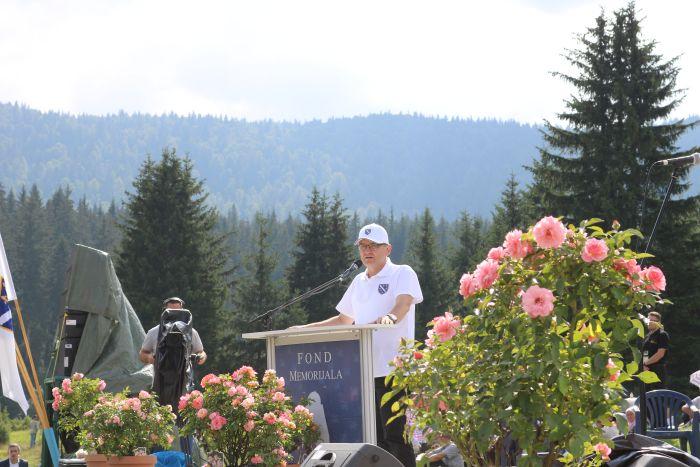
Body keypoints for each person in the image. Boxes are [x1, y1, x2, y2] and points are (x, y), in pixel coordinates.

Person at [296, 223, 423, 467]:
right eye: (363, 246)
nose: (367, 251)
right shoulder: (358, 281)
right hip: (364, 374)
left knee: (396, 437)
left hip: (394, 372)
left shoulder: (402, 273)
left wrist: (391, 317)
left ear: (388, 249)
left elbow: (404, 303)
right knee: (374, 442)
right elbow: (343, 319)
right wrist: (303, 330)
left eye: (373, 246)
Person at [139, 297, 207, 366]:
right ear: (164, 313)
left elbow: (201, 352)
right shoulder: (154, 332)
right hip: (160, 374)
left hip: (185, 374)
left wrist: (200, 357)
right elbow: (143, 353)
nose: (174, 316)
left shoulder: (191, 332)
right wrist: (149, 358)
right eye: (171, 312)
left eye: (178, 312)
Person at [642, 311, 669, 390]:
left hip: (658, 369)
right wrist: (645, 366)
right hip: (647, 370)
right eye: (649, 320)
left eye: (653, 321)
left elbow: (660, 354)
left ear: (659, 322)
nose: (650, 322)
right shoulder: (648, 336)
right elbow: (645, 352)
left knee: (657, 396)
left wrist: (646, 364)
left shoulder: (662, 334)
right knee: (646, 396)